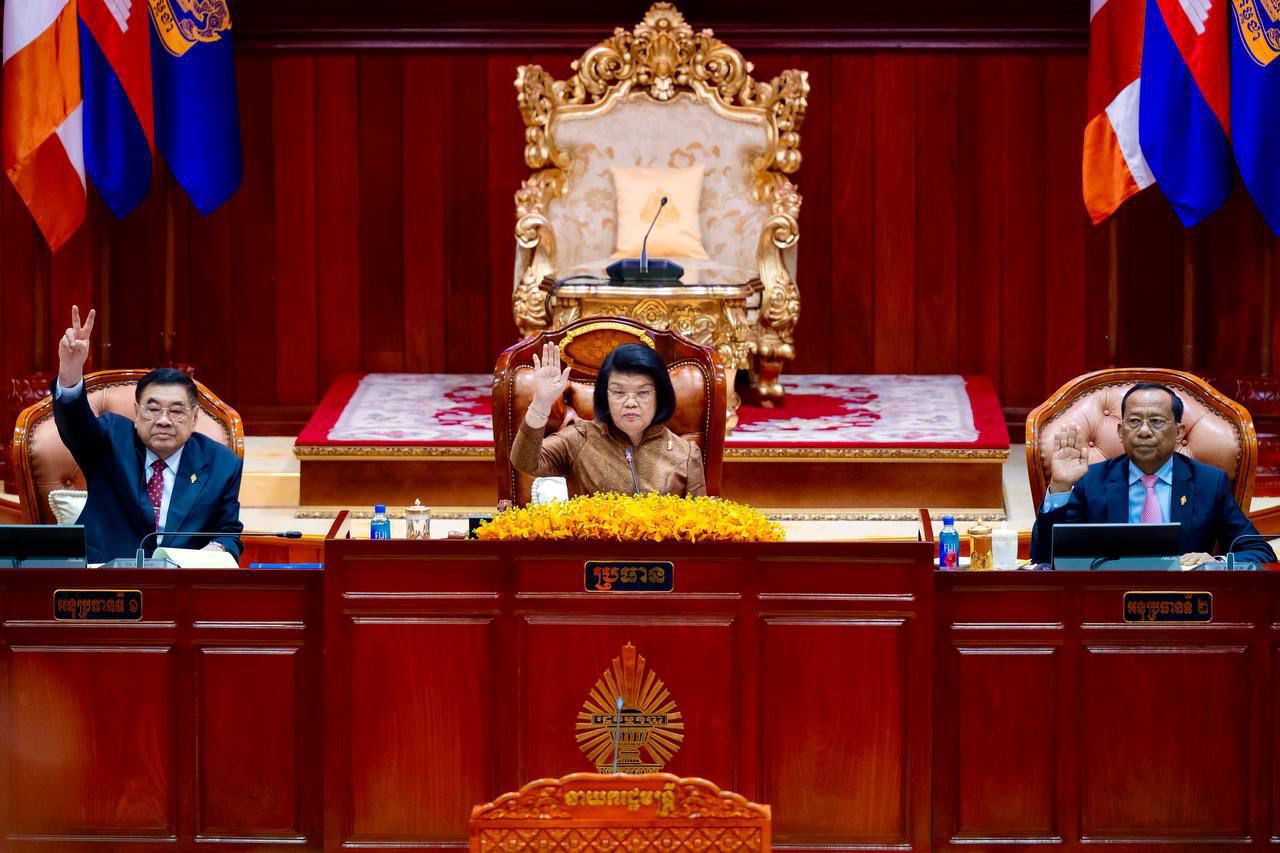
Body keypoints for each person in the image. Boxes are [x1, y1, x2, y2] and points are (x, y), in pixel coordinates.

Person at [52, 306, 244, 563]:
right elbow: (75, 425)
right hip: (104, 575)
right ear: (137, 412)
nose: (163, 420)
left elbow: (228, 532)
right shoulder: (110, 439)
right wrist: (70, 373)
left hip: (179, 580)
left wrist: (216, 549)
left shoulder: (222, 464)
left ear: (194, 418)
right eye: (153, 409)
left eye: (176, 411)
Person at [1030, 382, 1274, 566]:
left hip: (1183, 603)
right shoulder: (1091, 481)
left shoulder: (1209, 483)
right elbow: (1045, 557)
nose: (1144, 431)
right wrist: (1060, 488)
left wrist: (1216, 563)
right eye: (1134, 422)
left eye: (1156, 421)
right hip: (1108, 601)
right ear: (1120, 431)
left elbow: (1259, 553)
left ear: (1179, 432)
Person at [510, 340, 707, 497]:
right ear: (605, 396)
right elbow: (524, 461)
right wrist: (541, 403)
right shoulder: (580, 438)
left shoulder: (686, 455)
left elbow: (699, 527)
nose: (631, 403)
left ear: (660, 396)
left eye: (643, 393)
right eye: (619, 392)